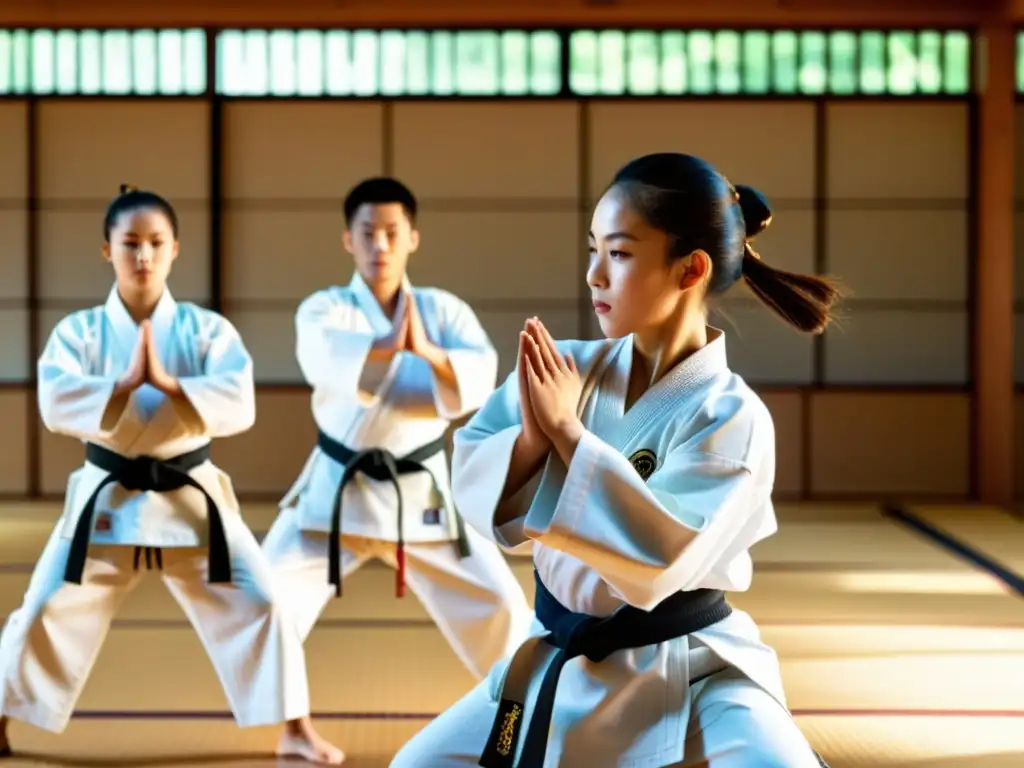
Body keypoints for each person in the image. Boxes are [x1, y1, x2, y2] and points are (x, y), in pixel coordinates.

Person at [389, 154, 839, 767]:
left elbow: (658, 560)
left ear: (691, 269)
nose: (594, 274)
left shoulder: (731, 415)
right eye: (592, 249)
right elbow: (477, 483)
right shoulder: (566, 368)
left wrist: (567, 432)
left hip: (691, 665)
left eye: (620, 253)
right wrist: (531, 438)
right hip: (559, 654)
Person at [0, 186, 343, 765]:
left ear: (175, 249)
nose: (143, 256)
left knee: (264, 605)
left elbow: (239, 401)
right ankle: (2, 720)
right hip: (106, 502)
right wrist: (122, 384)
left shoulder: (205, 331)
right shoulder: (80, 333)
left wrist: (171, 383)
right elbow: (55, 402)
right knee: (41, 610)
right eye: (129, 243)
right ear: (106, 250)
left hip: (192, 501)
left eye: (155, 243)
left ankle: (295, 729)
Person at [261, 178, 532, 734]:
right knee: (263, 599)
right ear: (347, 240)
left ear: (412, 237)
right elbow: (325, 362)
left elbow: (477, 381)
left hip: (422, 498)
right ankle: (294, 731)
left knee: (506, 607)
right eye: (367, 233)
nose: (379, 245)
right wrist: (388, 346)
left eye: (391, 233)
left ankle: (524, 721)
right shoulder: (325, 309)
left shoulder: (442, 311)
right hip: (336, 493)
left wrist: (426, 350)